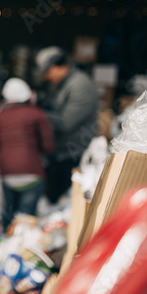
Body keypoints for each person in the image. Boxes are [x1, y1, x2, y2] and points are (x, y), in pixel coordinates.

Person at [35, 46, 99, 204]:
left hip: (74, 154)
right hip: (59, 152)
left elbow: (65, 122)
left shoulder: (80, 85)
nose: (46, 77)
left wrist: (36, 114)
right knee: (53, 198)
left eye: (47, 72)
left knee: (67, 202)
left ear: (58, 66)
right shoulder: (60, 83)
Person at [0, 78, 54, 228]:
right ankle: (22, 245)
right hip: (31, 172)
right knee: (25, 219)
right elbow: (48, 145)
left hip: (6, 172)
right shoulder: (36, 114)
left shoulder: (0, 117)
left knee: (9, 213)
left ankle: (4, 244)